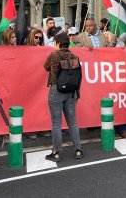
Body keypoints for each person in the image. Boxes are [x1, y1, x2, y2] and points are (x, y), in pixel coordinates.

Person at [43, 32, 83, 162]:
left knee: (56, 123)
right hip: (71, 92)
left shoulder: (54, 55)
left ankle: (56, 153)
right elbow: (78, 75)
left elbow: (45, 67)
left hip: (56, 90)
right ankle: (78, 150)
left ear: (58, 43)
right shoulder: (75, 57)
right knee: (72, 122)